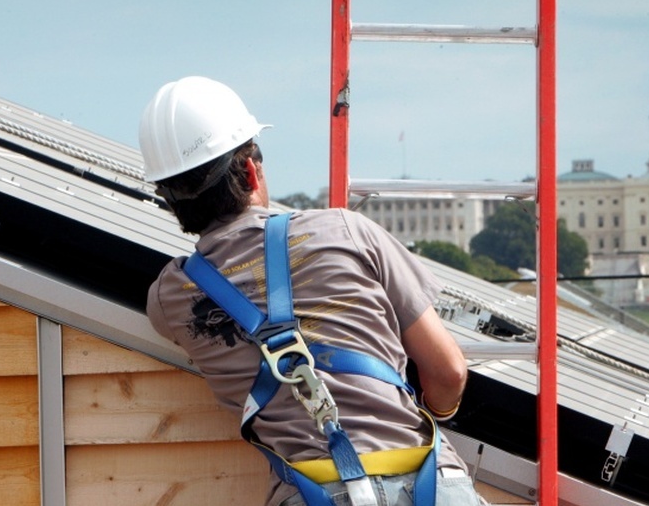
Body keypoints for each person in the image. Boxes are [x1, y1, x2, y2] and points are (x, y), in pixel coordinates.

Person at [139, 76, 486, 506]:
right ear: (250, 169)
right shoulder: (346, 230)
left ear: (173, 203)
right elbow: (448, 372)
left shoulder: (171, 296)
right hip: (430, 483)